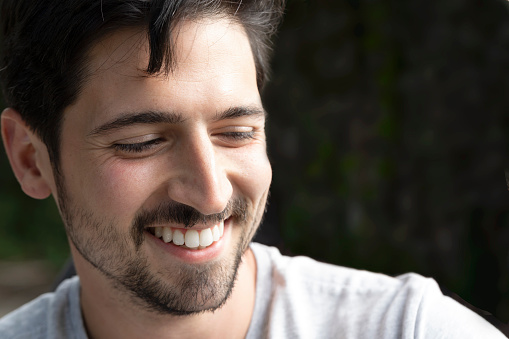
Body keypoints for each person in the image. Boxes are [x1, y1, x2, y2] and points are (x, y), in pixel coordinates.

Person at [0, 0, 505, 338]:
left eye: (236, 133)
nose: (212, 194)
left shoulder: (412, 329)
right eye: (142, 142)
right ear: (30, 158)